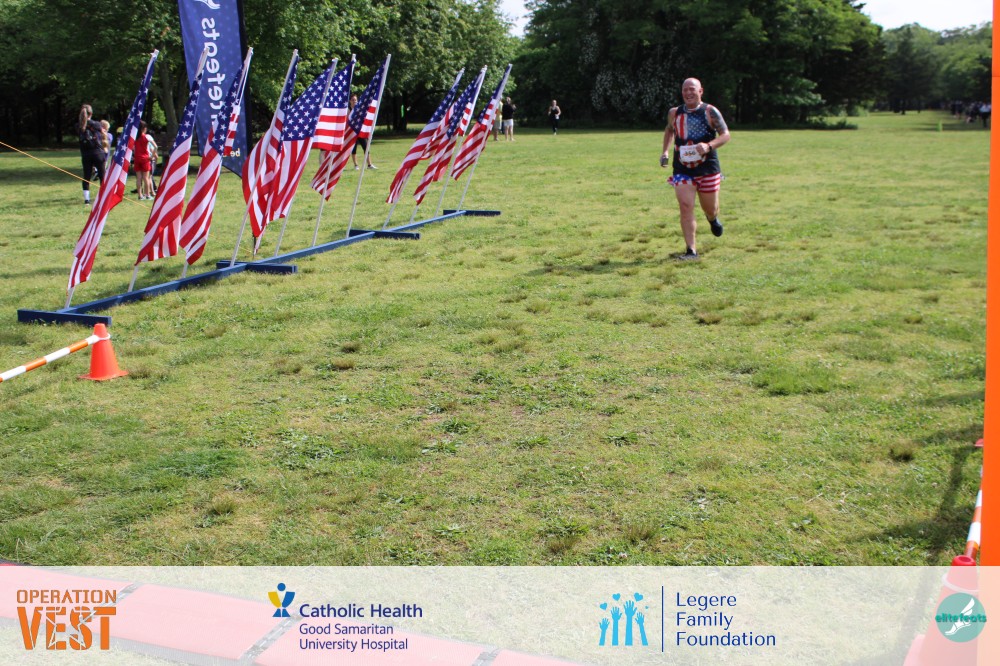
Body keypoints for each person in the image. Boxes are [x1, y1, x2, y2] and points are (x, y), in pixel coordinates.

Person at [660, 77, 731, 260]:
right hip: (682, 168)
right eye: (685, 89)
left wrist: (709, 146)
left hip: (707, 168)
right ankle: (691, 251)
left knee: (710, 209)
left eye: (692, 89)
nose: (688, 92)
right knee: (685, 206)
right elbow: (669, 130)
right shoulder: (674, 113)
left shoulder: (710, 111)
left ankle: (712, 219)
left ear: (700, 91)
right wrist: (665, 151)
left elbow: (725, 135)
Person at [77, 104, 105, 206]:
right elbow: (103, 133)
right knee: (102, 175)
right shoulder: (96, 124)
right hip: (97, 152)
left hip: (85, 154)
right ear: (91, 113)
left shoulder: (78, 126)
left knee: (86, 176)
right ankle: (102, 198)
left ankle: (87, 200)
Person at [348, 94, 376, 169]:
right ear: (350, 101)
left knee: (366, 147)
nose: (354, 101)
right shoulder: (348, 110)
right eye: (353, 100)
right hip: (352, 132)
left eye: (355, 100)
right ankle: (356, 165)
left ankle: (369, 164)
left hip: (360, 131)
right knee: (354, 149)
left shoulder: (359, 108)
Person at [133, 121, 154, 200]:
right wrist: (152, 156)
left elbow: (133, 148)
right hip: (145, 158)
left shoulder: (135, 137)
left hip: (137, 158)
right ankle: (147, 194)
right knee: (146, 177)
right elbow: (155, 147)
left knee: (138, 178)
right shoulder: (147, 136)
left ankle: (140, 195)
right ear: (143, 128)